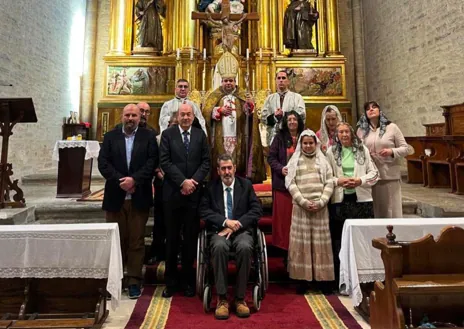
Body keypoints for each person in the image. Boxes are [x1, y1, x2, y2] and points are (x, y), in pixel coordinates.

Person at [98, 103, 159, 299]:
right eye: (128, 115)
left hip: (138, 196)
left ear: (139, 117)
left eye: (134, 115)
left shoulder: (148, 137)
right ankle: (116, 280)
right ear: (122, 116)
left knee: (136, 241)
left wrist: (135, 180)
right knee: (116, 241)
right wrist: (120, 181)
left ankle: (134, 280)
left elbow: (152, 162)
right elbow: (103, 163)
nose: (131, 118)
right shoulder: (110, 137)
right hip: (116, 196)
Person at [199, 154, 262, 320]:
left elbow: (256, 210)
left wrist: (237, 225)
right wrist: (226, 222)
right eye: (223, 169)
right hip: (219, 231)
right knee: (219, 247)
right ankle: (222, 298)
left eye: (229, 168)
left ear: (234, 168)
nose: (227, 172)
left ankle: (240, 298)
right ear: (218, 171)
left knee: (245, 247)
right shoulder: (210, 188)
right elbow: (204, 211)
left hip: (242, 231)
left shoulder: (246, 185)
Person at [160, 103, 210, 298]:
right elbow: (165, 161)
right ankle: (171, 282)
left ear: (193, 116)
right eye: (182, 114)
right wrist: (182, 182)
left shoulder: (200, 135)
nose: (186, 117)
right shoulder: (168, 135)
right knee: (171, 239)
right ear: (177, 116)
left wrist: (194, 182)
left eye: (189, 114)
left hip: (194, 195)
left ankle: (189, 281)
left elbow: (206, 161)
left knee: (190, 240)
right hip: (173, 194)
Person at [326, 122, 379, 286]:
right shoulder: (331, 152)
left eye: (346, 132)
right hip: (339, 201)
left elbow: (374, 173)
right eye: (340, 132)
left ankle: (365, 280)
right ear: (337, 135)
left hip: (361, 200)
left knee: (363, 240)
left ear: (351, 133)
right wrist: (338, 180)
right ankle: (342, 279)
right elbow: (326, 177)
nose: (344, 135)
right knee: (340, 241)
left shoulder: (361, 150)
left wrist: (359, 180)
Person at [203, 51, 266, 183]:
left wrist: (249, 108)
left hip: (239, 137)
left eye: (231, 81)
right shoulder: (214, 95)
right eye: (226, 81)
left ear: (235, 81)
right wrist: (218, 110)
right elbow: (206, 113)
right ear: (221, 81)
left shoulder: (243, 94)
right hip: (221, 136)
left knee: (238, 163)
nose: (228, 83)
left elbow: (250, 117)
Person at [285, 130, 334, 294]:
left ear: (316, 144)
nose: (307, 146)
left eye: (310, 143)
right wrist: (303, 201)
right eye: (305, 143)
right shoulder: (295, 161)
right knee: (302, 244)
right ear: (300, 144)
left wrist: (322, 201)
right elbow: (290, 183)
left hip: (320, 208)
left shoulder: (323, 160)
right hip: (301, 209)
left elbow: (329, 182)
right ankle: (302, 279)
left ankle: (323, 280)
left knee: (321, 245)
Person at [357, 101, 409, 218]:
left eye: (374, 107)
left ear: (380, 111)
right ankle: (378, 235)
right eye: (368, 108)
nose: (371, 110)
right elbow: (358, 151)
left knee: (392, 210)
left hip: (389, 175)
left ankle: (394, 234)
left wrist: (391, 151)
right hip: (371, 175)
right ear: (365, 113)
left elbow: (406, 149)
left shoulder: (392, 128)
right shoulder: (361, 131)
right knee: (376, 211)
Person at [267, 111, 304, 255]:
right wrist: (280, 168)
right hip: (282, 186)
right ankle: (285, 251)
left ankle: (299, 250)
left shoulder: (305, 136)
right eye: (289, 120)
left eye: (295, 119)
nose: (292, 122)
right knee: (284, 221)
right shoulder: (279, 137)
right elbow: (271, 158)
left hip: (301, 185)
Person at [261, 70, 306, 145]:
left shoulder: (297, 97)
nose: (281, 80)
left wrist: (284, 114)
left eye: (283, 78)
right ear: (275, 81)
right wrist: (275, 117)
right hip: (273, 137)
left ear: (288, 81)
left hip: (292, 137)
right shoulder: (269, 99)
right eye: (278, 78)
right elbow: (263, 118)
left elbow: (301, 115)